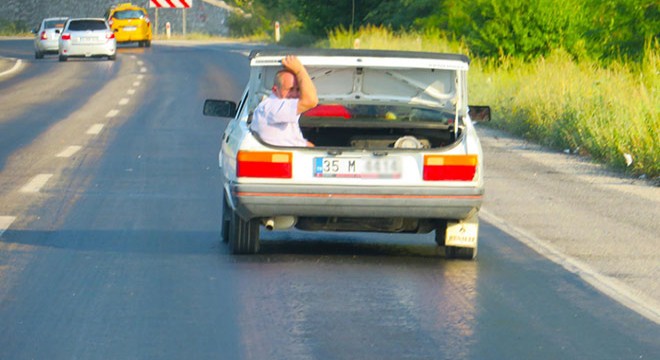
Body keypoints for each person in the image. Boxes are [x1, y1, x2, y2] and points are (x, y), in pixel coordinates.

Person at [250, 55, 318, 147]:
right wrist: (299, 70)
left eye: (298, 90)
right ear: (275, 89)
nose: (295, 94)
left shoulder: (278, 106)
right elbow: (311, 101)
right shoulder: (273, 107)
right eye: (290, 89)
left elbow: (296, 141)